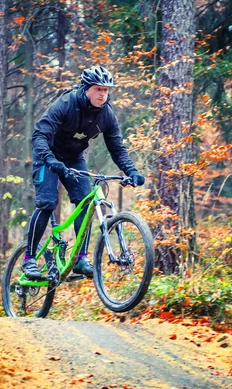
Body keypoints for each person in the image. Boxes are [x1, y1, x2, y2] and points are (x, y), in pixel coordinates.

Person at [22, 66, 145, 279]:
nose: (103, 94)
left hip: (73, 158)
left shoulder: (107, 114)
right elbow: (38, 135)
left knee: (85, 202)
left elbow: (116, 148)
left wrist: (131, 171)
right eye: (98, 89)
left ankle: (81, 259)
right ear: (86, 88)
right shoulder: (66, 103)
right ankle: (29, 259)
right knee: (47, 203)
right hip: (47, 155)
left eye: (106, 90)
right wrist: (51, 161)